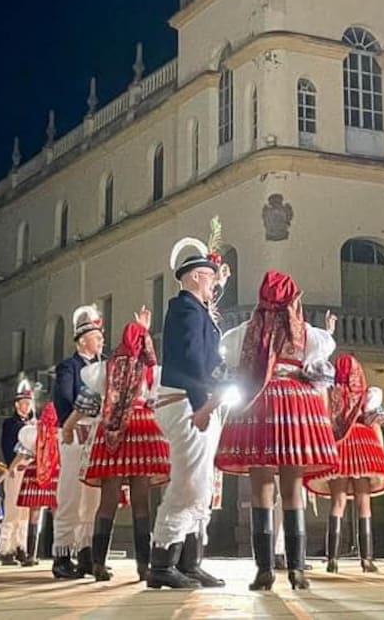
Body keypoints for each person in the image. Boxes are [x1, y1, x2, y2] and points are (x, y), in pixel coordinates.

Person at [216, 270, 338, 591]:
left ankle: (264, 570)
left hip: (258, 402)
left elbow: (229, 357)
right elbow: (321, 363)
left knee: (261, 490)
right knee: (292, 489)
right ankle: (297, 570)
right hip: (296, 407)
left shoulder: (245, 332)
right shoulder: (307, 334)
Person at [146, 222, 230, 590]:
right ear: (197, 277)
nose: (214, 286)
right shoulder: (185, 310)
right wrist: (202, 403)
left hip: (197, 400)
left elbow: (207, 332)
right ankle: (162, 561)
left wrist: (219, 279)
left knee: (202, 484)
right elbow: (193, 358)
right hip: (186, 401)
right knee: (188, 484)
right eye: (210, 279)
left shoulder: (196, 309)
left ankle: (190, 561)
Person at [62, 310, 170, 581]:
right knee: (141, 502)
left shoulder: (104, 368)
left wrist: (68, 425)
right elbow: (159, 399)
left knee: (107, 500)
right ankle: (144, 565)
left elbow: (84, 402)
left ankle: (98, 563)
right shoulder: (150, 371)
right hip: (143, 431)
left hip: (112, 431)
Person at [305, 354, 384, 575]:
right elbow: (375, 423)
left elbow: (323, 420)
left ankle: (332, 559)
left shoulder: (330, 393)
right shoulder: (368, 395)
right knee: (364, 503)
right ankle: (367, 559)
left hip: (338, 446)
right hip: (364, 445)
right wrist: (381, 452)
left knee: (337, 502)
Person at [50, 304, 106, 578]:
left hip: (96, 435)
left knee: (92, 497)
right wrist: (79, 419)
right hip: (75, 433)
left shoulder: (101, 367)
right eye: (97, 336)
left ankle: (86, 553)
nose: (101, 340)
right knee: (70, 494)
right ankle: (61, 556)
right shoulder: (68, 367)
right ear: (83, 338)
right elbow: (64, 397)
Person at [11, 403, 62, 568]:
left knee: (34, 514)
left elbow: (22, 453)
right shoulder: (59, 433)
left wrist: (11, 468)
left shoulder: (32, 431)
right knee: (57, 514)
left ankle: (30, 556)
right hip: (55, 472)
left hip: (35, 471)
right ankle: (60, 556)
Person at [0, 379, 37, 565]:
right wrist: (11, 466)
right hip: (16, 470)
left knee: (25, 511)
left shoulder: (33, 424)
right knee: (12, 509)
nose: (26, 407)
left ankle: (22, 547)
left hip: (30, 470)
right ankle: (6, 549)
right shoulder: (10, 424)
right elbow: (8, 447)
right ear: (16, 404)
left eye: (28, 404)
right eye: (23, 403)